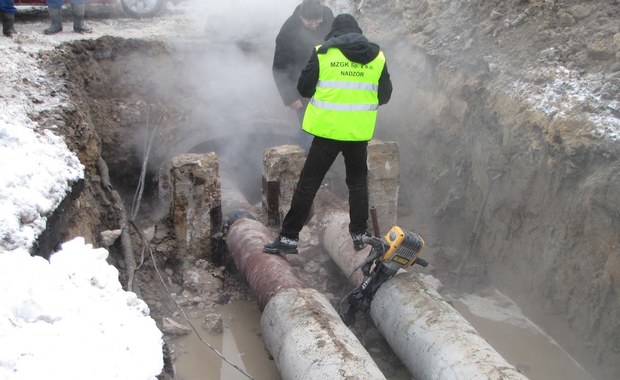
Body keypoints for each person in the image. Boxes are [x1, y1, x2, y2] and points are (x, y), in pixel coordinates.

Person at [264, 13, 393, 254]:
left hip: (327, 132)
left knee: (308, 184)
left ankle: (289, 238)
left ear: (333, 32)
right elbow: (384, 96)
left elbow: (303, 88)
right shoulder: (377, 57)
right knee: (357, 183)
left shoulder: (324, 53)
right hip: (357, 132)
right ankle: (359, 234)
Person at [272, 0, 334, 150]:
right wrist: (290, 97)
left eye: (317, 22)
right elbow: (279, 66)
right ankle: (305, 157)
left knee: (329, 124)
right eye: (309, 23)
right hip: (301, 83)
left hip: (328, 80)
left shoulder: (328, 16)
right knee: (309, 126)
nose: (314, 26)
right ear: (301, 17)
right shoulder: (288, 30)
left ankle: (327, 158)